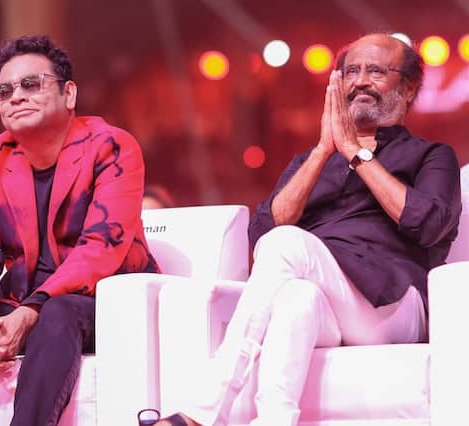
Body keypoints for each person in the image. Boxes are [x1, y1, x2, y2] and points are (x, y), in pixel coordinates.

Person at [155, 33, 461, 425]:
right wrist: (323, 150)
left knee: (289, 244)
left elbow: (429, 224)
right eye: (351, 71)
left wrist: (356, 154)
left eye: (375, 71)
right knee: (295, 298)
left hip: (393, 304)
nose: (360, 81)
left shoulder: (431, 156)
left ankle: (204, 410)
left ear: (409, 87)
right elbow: (264, 233)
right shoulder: (311, 161)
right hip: (332, 305)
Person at [0, 35, 159, 426]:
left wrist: (28, 312)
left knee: (57, 312)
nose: (16, 96)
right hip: (21, 302)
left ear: (69, 93)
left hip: (98, 301)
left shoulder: (111, 147)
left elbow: (100, 248)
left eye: (31, 84)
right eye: (5, 91)